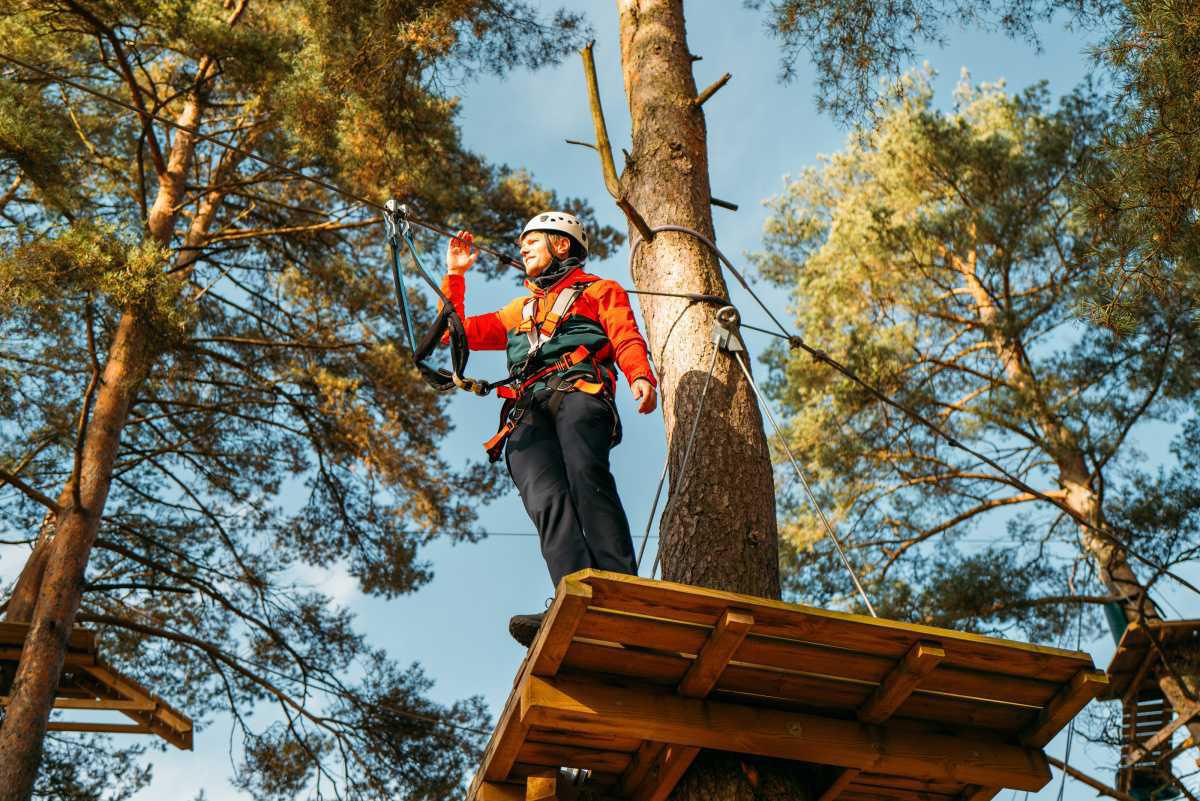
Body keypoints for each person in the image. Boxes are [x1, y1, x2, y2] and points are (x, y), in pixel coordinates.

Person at [442, 211, 657, 646]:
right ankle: (573, 595)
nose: (522, 249)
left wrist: (639, 375)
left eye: (531, 241)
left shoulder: (599, 290)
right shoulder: (516, 311)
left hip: (579, 389)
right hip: (526, 410)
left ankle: (621, 588)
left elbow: (625, 335)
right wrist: (455, 276)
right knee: (546, 500)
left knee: (585, 475)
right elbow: (454, 334)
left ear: (561, 245)